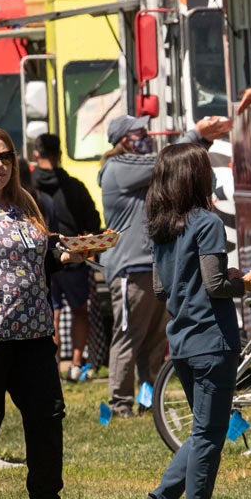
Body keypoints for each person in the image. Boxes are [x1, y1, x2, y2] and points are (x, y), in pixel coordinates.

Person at [0, 124, 102, 499]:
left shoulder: (27, 202)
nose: (0, 165)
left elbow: (37, 256)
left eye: (5, 156)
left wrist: (67, 254)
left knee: (46, 416)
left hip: (36, 331)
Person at [133, 143, 251, 499]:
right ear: (196, 177)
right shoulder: (205, 223)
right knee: (209, 433)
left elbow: (160, 289)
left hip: (182, 342)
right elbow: (215, 284)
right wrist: (243, 282)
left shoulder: (161, 227)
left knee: (204, 429)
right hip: (212, 337)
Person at [99, 117, 166, 417]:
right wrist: (195, 136)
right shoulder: (118, 167)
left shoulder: (136, 169)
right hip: (131, 269)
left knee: (154, 343)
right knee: (128, 338)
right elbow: (166, 162)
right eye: (139, 131)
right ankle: (120, 404)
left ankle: (148, 401)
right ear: (123, 139)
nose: (146, 135)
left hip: (152, 266)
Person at [30, 132, 101, 374]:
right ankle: (76, 364)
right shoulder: (74, 186)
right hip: (73, 257)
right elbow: (92, 221)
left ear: (35, 154)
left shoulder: (27, 190)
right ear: (60, 154)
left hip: (40, 259)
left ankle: (53, 365)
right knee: (80, 310)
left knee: (52, 313)